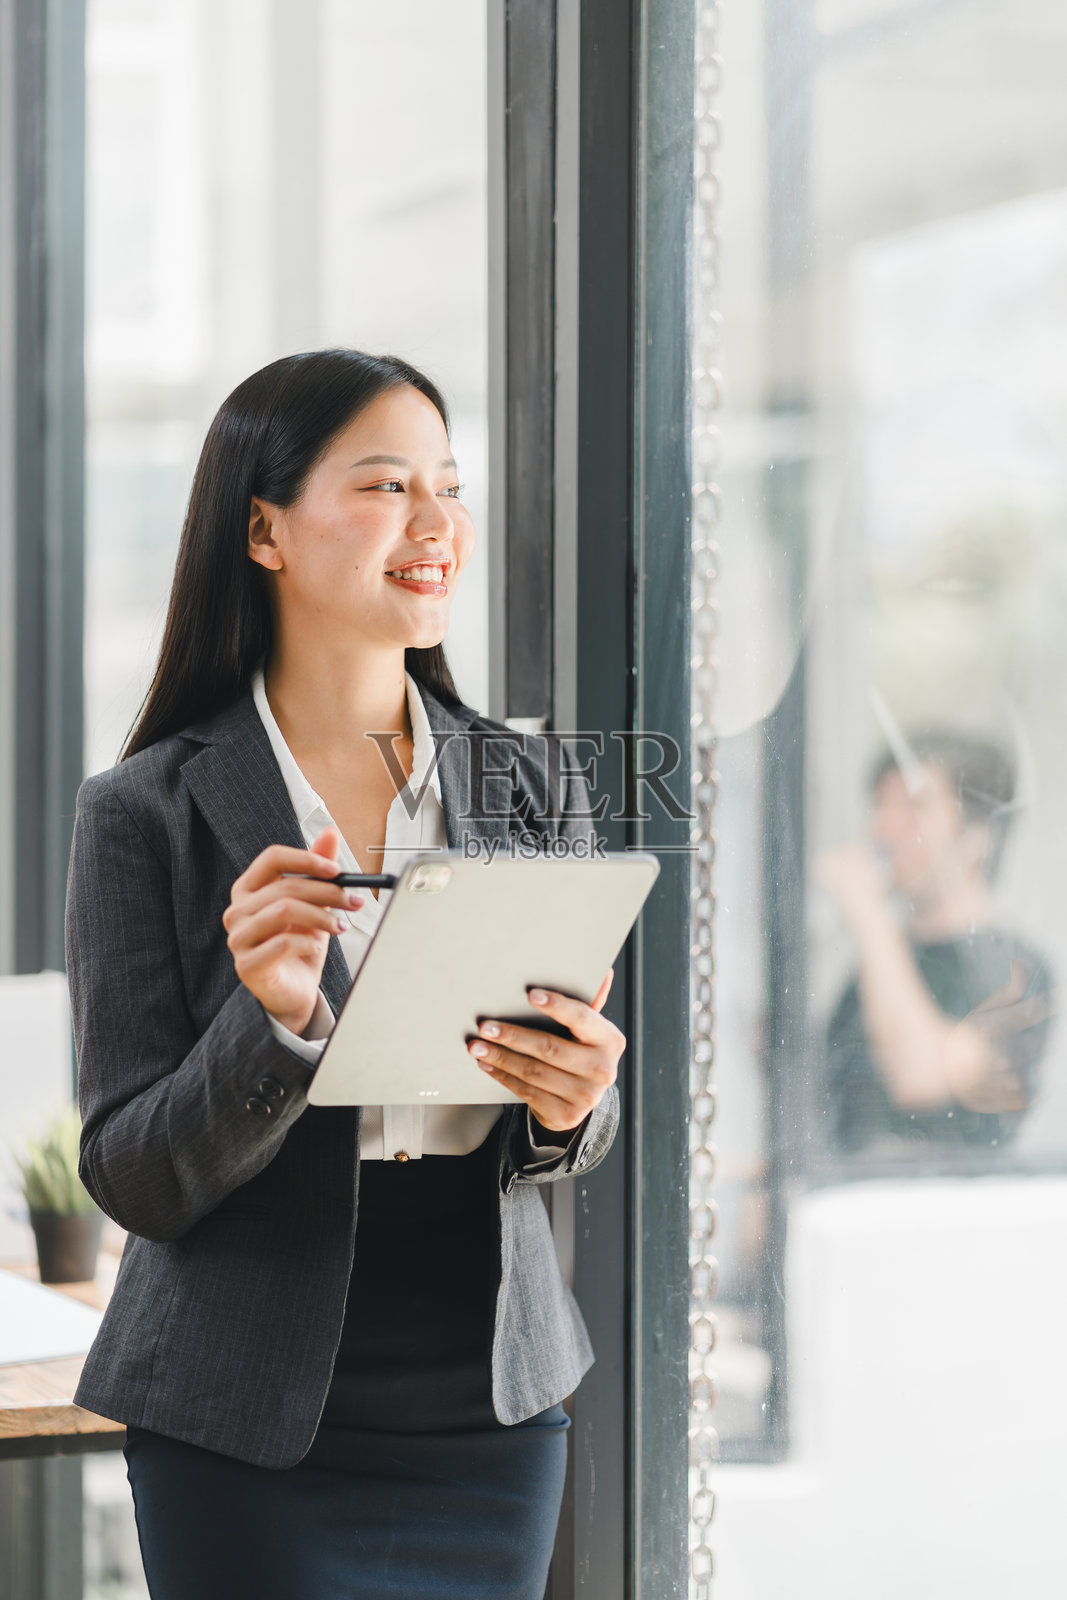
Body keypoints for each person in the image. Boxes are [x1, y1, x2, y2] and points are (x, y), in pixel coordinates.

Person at [65, 350, 624, 1600]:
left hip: (488, 1406)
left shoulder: (531, 785)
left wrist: (574, 1100)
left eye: (449, 485)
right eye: (386, 485)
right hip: (243, 1419)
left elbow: (563, 1128)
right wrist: (269, 1026)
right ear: (262, 529)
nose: (437, 524)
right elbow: (131, 1177)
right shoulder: (144, 811)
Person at [819, 730, 1054, 1156]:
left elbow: (922, 1078)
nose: (883, 827)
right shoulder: (877, 966)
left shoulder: (1018, 969)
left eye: (913, 807)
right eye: (881, 806)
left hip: (946, 1215)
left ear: (979, 836)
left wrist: (869, 914)